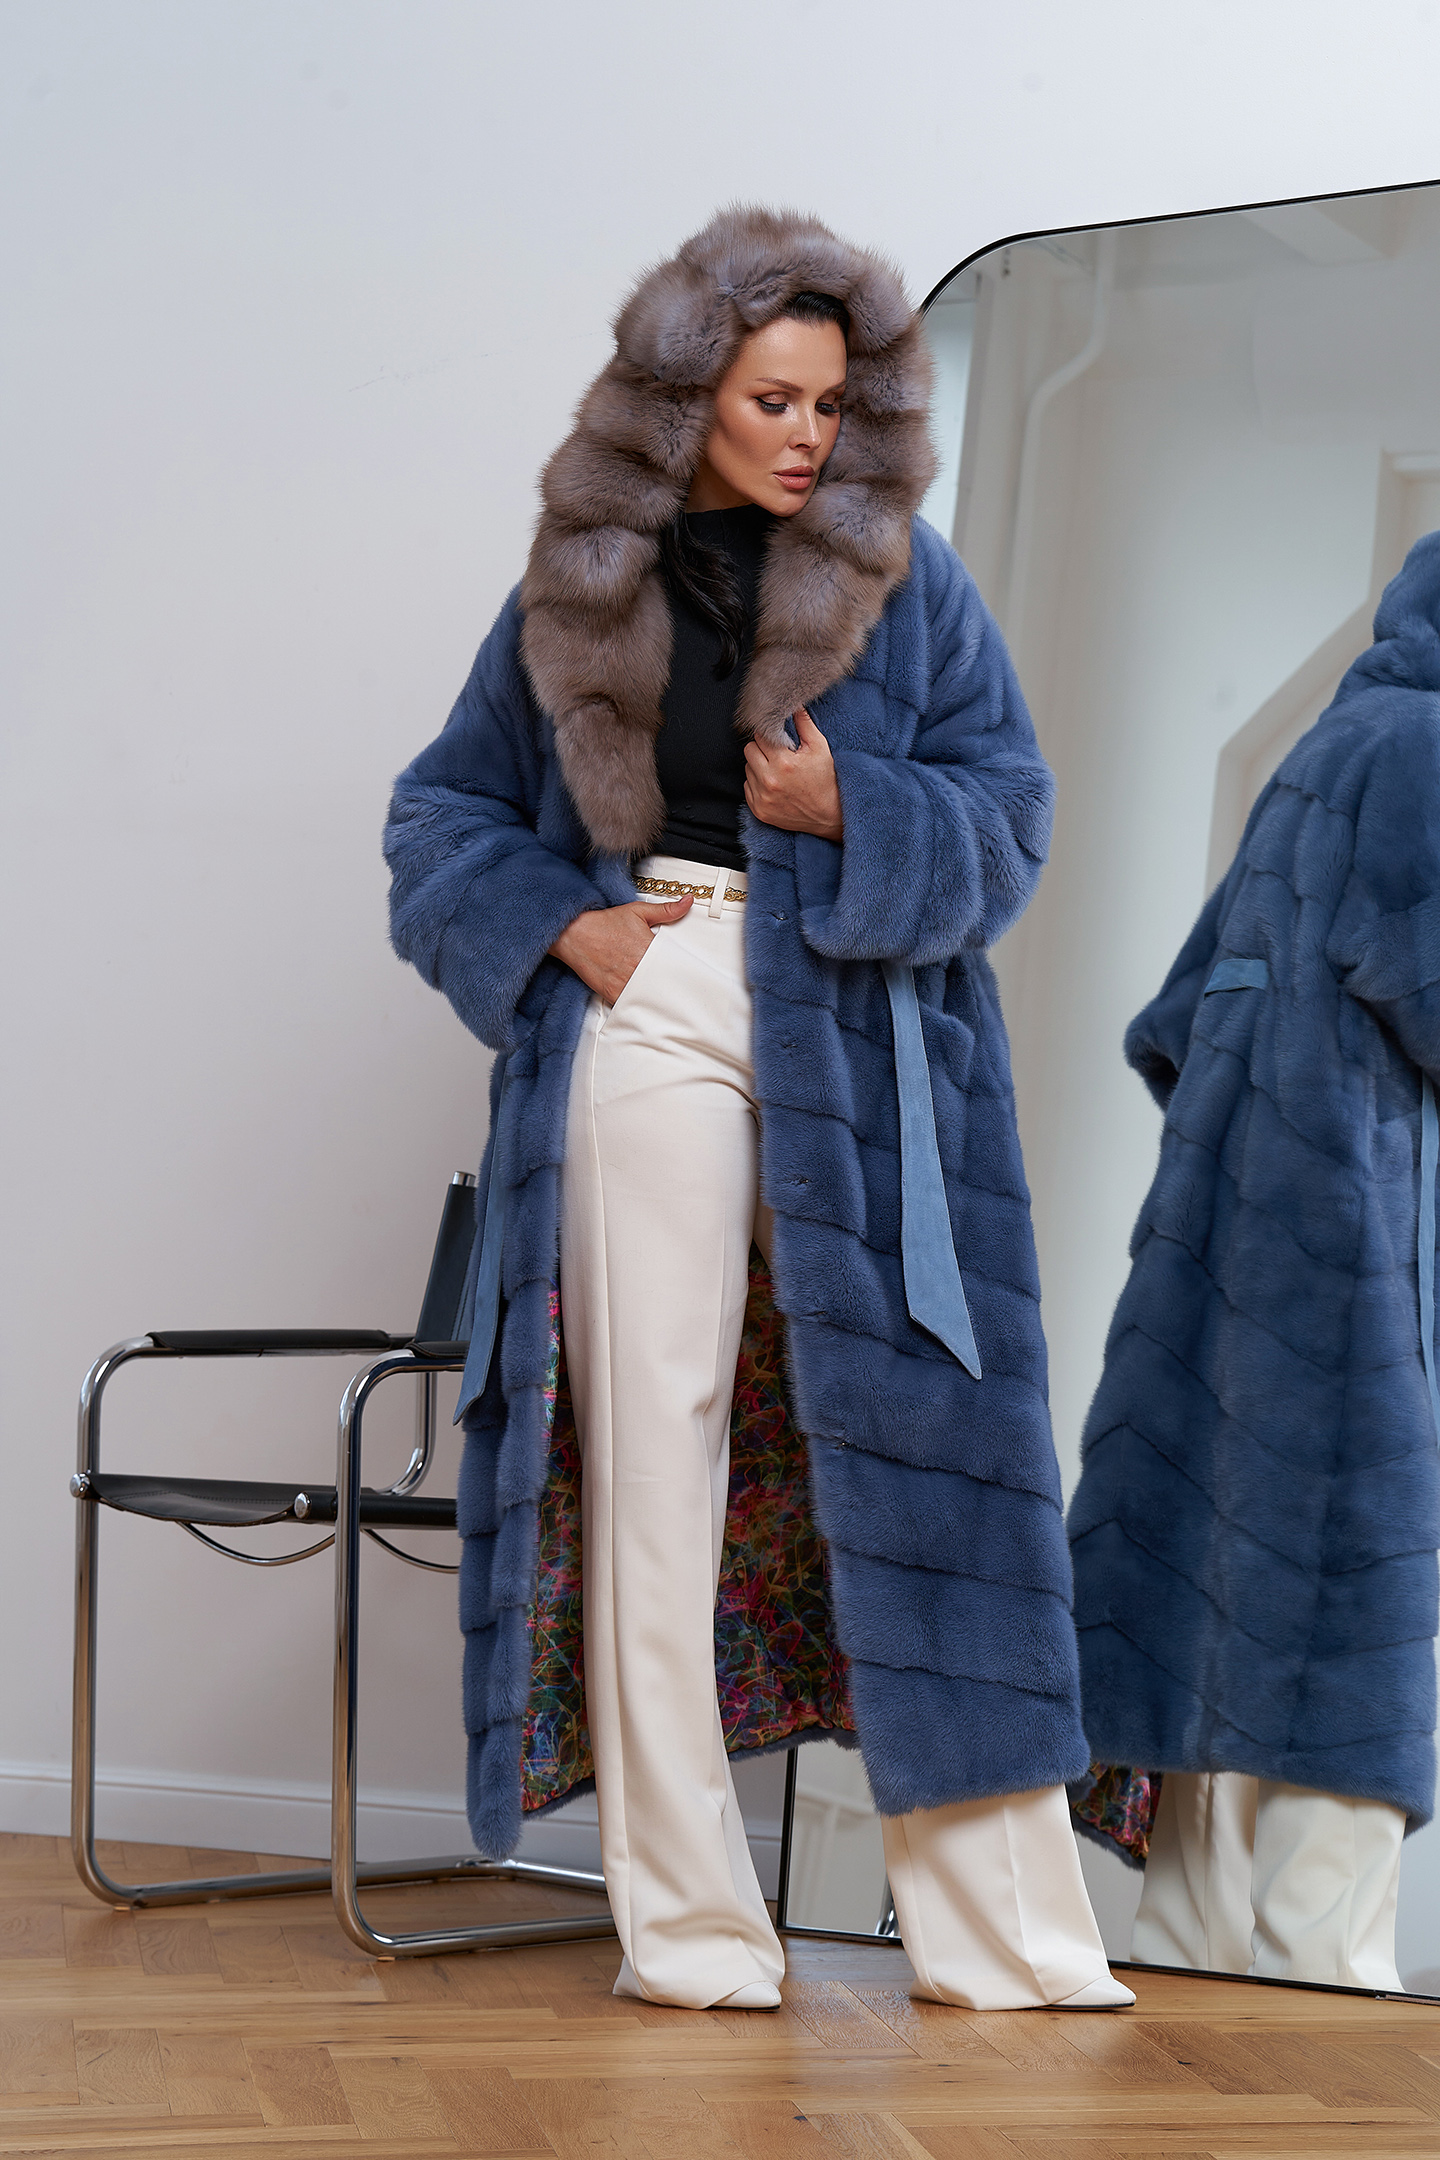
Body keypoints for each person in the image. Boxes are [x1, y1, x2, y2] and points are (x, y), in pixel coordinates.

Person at [385, 206, 1132, 2013]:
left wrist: (852, 811)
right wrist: (563, 926)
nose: (808, 434)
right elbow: (440, 814)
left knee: (941, 1458)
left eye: (830, 402)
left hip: (864, 1036)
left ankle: (1005, 1941)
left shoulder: (910, 582)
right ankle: (695, 1929)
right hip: (653, 993)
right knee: (658, 1450)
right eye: (771, 400)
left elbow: (1014, 812)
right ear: (685, 402)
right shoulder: (581, 587)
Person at [1067, 534, 1440, 1993]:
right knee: (1345, 1595)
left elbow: (1173, 1018)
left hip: (1223, 1242)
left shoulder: (1325, 750)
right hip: (1341, 1258)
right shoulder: (1419, 750)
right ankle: (1317, 2025)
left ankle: (1195, 2013)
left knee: (1212, 1595)